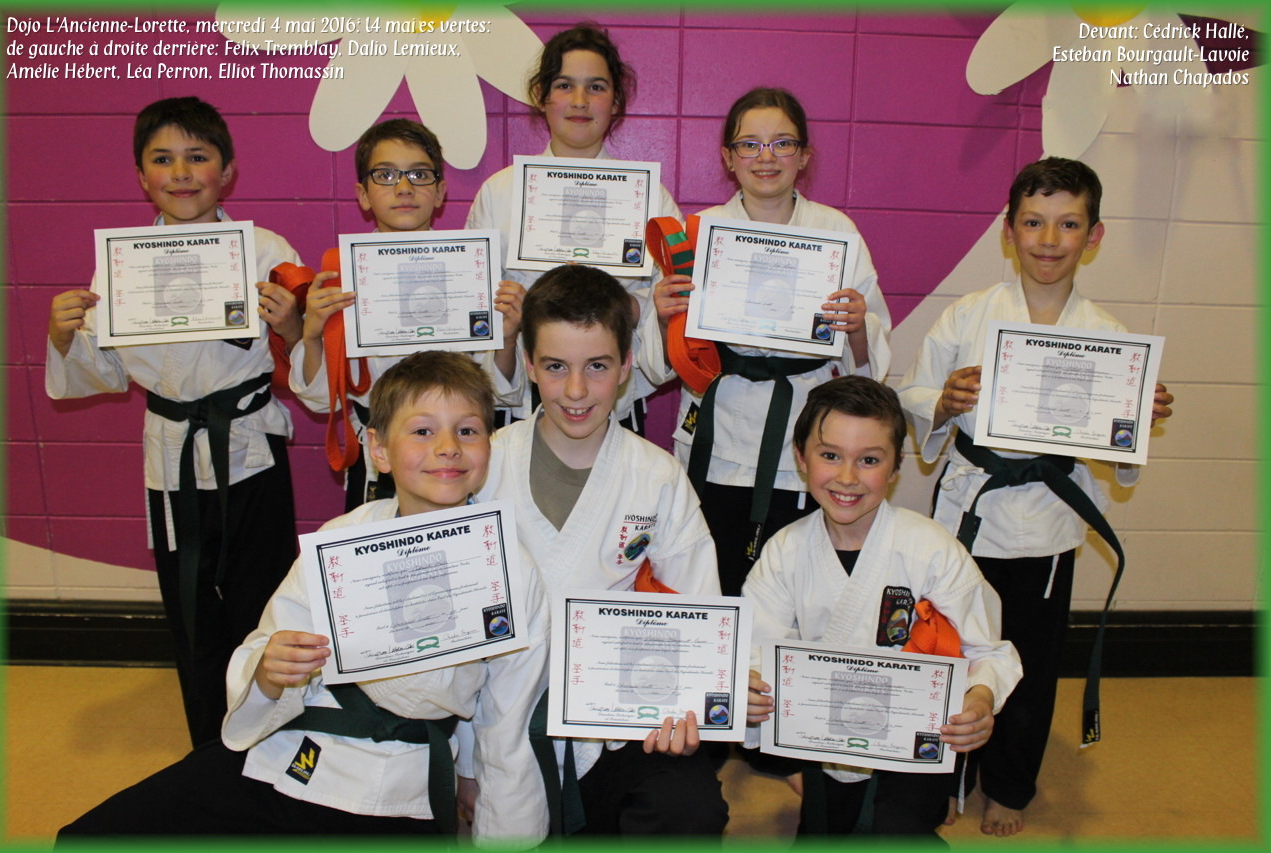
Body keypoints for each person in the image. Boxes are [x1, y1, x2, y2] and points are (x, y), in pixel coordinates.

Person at [57, 351, 550, 845]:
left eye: (467, 430)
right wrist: (270, 673)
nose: (447, 448)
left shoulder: (511, 568)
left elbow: (508, 722)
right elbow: (269, 643)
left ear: (489, 445)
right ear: (378, 450)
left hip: (398, 788)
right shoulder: (342, 539)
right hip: (295, 751)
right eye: (422, 431)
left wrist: (502, 832)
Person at [894, 157, 1175, 837]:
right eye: (1034, 222)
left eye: (1068, 224)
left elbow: (1117, 455)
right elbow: (913, 392)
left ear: (1094, 236)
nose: (1049, 240)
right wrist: (944, 401)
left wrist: (1136, 421)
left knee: (1030, 662)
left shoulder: (1109, 337)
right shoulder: (967, 315)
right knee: (945, 647)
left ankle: (1009, 783)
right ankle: (938, 774)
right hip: (968, 512)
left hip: (1048, 524)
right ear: (1009, 231)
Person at [45, 96, 303, 748]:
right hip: (171, 456)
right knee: (191, 612)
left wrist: (294, 324)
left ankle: (273, 745)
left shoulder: (264, 250)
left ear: (227, 170)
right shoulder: (122, 262)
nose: (181, 172)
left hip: (251, 448)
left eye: (197, 156)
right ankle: (208, 750)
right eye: (162, 159)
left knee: (266, 604)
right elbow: (104, 372)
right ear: (141, 175)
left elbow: (303, 362)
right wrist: (65, 336)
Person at [475, 264, 728, 835]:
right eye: (555, 367)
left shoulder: (656, 476)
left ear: (626, 364)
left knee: (689, 808)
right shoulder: (485, 465)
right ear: (529, 365)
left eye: (597, 366)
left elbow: (699, 607)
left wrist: (685, 709)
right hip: (506, 716)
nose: (575, 391)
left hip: (624, 720)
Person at [744, 376, 1022, 838]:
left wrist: (981, 697)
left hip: (912, 747)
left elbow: (989, 651)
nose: (847, 478)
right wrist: (752, 685)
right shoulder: (784, 551)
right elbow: (756, 645)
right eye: (830, 455)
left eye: (869, 460)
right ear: (801, 458)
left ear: (895, 469)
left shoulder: (931, 549)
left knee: (897, 830)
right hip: (819, 744)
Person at [643, 87, 892, 596]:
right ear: (728, 157)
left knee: (794, 588)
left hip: (802, 438)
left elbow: (870, 371)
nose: (766, 157)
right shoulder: (701, 232)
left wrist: (857, 326)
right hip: (719, 435)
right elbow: (658, 366)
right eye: (749, 145)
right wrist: (664, 314)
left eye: (782, 143)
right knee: (714, 585)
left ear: (804, 155)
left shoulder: (836, 231)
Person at [288, 119, 525, 510]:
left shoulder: (472, 271)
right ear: (363, 195)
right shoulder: (342, 278)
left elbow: (499, 391)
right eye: (385, 175)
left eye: (419, 174)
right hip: (379, 460)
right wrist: (313, 335)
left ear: (440, 192)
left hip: (455, 458)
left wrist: (509, 336)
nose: (403, 188)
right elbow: (322, 402)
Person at [466, 22, 682, 433]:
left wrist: (634, 308)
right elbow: (477, 319)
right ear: (541, 95)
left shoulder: (650, 199)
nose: (580, 101)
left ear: (615, 101)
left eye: (596, 87)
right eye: (564, 86)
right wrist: (512, 320)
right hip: (523, 406)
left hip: (612, 405)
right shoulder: (500, 192)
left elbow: (665, 326)